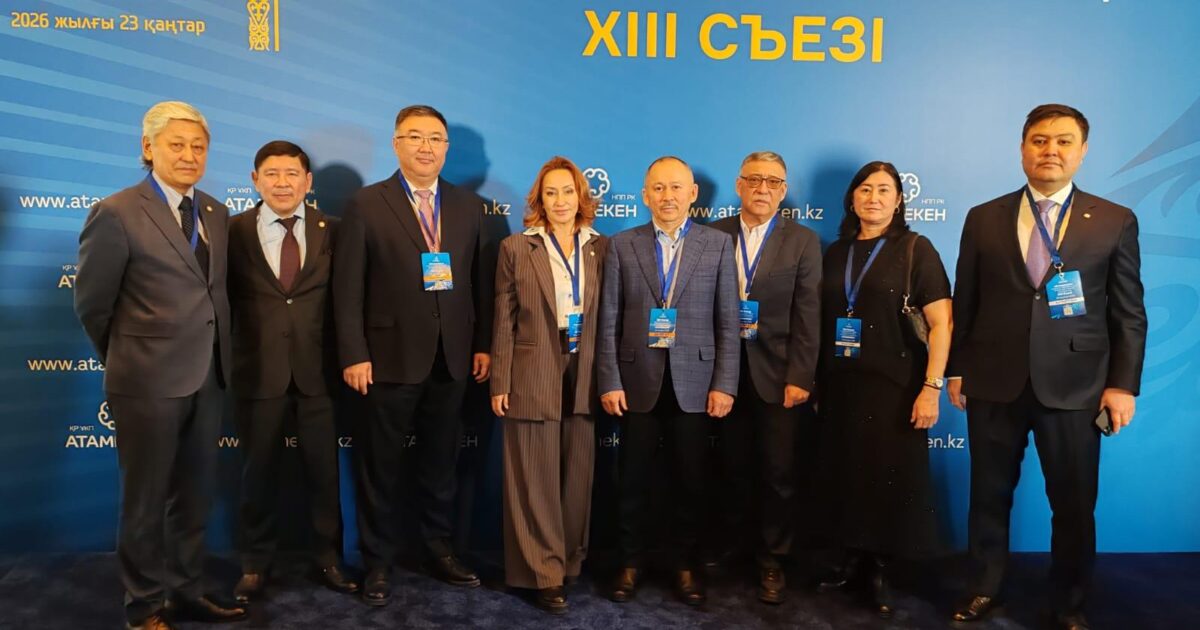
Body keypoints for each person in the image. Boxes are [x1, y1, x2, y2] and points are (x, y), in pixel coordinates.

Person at [949, 104, 1146, 630]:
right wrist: (957, 369)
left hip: (1077, 386)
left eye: (1063, 141)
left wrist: (1122, 385)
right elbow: (966, 299)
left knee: (1074, 504)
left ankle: (1068, 603)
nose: (1050, 151)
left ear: (1082, 151)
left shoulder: (1114, 220)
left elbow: (1128, 312)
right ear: (1022, 149)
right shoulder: (983, 216)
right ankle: (984, 588)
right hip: (994, 381)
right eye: (1039, 140)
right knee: (988, 497)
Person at [74, 101, 246, 629]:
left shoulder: (215, 212)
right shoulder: (117, 211)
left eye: (199, 147)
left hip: (208, 377)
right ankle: (145, 605)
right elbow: (93, 304)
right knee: (145, 502)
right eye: (177, 145)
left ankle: (186, 591)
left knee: (194, 497)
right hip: (145, 381)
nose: (190, 155)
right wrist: (130, 358)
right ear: (148, 148)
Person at [333, 105, 492, 606]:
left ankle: (437, 549)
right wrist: (354, 352)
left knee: (441, 463)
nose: (426, 147)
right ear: (396, 144)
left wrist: (483, 344)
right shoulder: (366, 203)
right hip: (387, 357)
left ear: (446, 148)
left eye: (435, 139)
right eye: (415, 137)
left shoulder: (469, 206)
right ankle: (377, 562)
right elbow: (347, 287)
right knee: (379, 467)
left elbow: (480, 283)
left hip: (453, 357)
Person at [597, 156, 740, 607]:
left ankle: (684, 565)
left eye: (676, 187)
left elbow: (728, 319)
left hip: (696, 382)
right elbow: (608, 319)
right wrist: (609, 380)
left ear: (692, 194)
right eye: (658, 188)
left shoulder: (717, 245)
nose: (668, 196)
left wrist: (725, 383)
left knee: (690, 481)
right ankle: (630, 563)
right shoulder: (622, 245)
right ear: (645, 195)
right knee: (632, 481)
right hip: (636, 381)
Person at [815, 161, 952, 618]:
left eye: (883, 190)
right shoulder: (836, 252)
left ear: (898, 200)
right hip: (840, 385)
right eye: (865, 189)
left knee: (886, 478)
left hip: (895, 387)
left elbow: (941, 324)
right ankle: (850, 559)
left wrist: (931, 387)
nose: (873, 198)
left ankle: (880, 569)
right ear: (852, 198)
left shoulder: (916, 249)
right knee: (846, 475)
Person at [227, 141, 358, 604]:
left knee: (324, 474)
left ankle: (329, 559)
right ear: (255, 180)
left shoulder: (333, 230)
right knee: (257, 473)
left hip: (318, 373)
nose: (282, 183)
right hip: (257, 372)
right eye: (272, 173)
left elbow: (347, 300)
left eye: (291, 174)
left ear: (308, 181)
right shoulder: (231, 231)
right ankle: (254, 564)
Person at [490, 156, 608, 614]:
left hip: (586, 366)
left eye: (568, 191)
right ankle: (543, 573)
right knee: (534, 476)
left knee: (577, 476)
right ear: (539, 199)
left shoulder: (601, 247)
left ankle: (569, 561)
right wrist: (500, 379)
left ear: (581, 196)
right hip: (532, 365)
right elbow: (504, 318)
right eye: (551, 192)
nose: (560, 201)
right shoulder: (517, 247)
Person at [709, 151, 821, 604]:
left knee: (777, 472)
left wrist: (801, 375)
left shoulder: (803, 241)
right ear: (739, 185)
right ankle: (734, 548)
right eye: (754, 179)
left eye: (773, 182)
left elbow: (809, 313)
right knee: (730, 467)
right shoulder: (713, 234)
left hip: (779, 374)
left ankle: (773, 557)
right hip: (723, 374)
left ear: (784, 190)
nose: (762, 188)